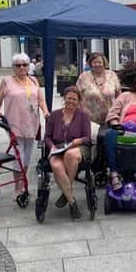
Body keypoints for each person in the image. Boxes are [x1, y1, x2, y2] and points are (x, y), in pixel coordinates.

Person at [0, 53, 50, 198]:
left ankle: (24, 184)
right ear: (13, 67)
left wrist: (46, 112)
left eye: (25, 64)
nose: (22, 67)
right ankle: (17, 188)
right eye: (18, 65)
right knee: (17, 157)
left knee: (26, 158)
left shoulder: (33, 80)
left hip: (32, 124)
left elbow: (41, 101)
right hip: (14, 124)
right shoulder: (7, 81)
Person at [44, 86, 91, 220]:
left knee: (70, 155)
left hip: (77, 147)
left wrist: (78, 140)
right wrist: (52, 147)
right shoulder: (54, 115)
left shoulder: (83, 116)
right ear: (64, 99)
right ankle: (71, 201)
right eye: (69, 98)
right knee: (56, 166)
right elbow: (47, 137)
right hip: (58, 148)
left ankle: (66, 191)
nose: (71, 101)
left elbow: (87, 138)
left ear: (79, 101)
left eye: (74, 99)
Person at [76, 52, 122, 125]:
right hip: (89, 120)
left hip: (111, 119)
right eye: (94, 62)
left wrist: (118, 113)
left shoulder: (112, 75)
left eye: (99, 62)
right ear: (91, 63)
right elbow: (78, 96)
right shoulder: (84, 77)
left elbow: (119, 96)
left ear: (104, 63)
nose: (97, 64)